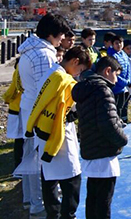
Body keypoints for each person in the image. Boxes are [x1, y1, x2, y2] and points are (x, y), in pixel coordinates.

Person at [25, 46, 91, 219]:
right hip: (59, 134)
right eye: (80, 69)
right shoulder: (64, 80)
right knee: (71, 179)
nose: (78, 74)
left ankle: (52, 214)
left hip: (44, 132)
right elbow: (71, 108)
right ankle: (67, 215)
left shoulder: (50, 73)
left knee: (49, 178)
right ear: (75, 62)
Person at [16, 13, 71, 217]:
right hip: (38, 114)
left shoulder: (30, 51)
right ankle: (38, 203)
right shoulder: (43, 55)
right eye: (60, 36)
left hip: (28, 109)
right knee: (40, 160)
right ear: (51, 35)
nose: (61, 40)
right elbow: (47, 90)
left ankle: (30, 199)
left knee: (31, 156)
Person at [72, 56, 129, 219]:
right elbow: (108, 124)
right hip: (104, 153)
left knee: (93, 199)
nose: (116, 79)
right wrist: (123, 139)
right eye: (116, 75)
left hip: (91, 148)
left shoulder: (86, 88)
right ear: (107, 71)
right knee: (104, 202)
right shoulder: (103, 90)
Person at [3, 61, 24, 171]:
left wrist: (7, 98)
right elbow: (14, 89)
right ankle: (20, 166)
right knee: (21, 139)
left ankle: (19, 165)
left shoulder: (19, 69)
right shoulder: (21, 70)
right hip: (20, 108)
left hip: (18, 107)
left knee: (20, 139)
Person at [107, 34, 131, 122]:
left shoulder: (123, 54)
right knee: (116, 109)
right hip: (116, 87)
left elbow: (128, 67)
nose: (119, 45)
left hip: (124, 87)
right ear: (112, 44)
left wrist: (128, 80)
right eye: (116, 43)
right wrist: (125, 82)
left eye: (120, 43)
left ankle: (122, 122)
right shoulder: (111, 55)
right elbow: (115, 73)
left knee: (122, 107)